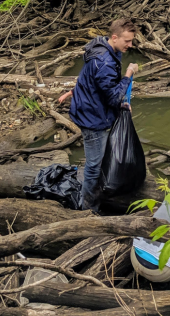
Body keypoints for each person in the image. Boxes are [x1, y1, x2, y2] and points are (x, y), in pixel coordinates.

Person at [58, 18, 140, 211]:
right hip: (93, 118)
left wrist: (74, 90)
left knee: (99, 159)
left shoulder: (103, 48)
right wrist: (128, 74)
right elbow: (112, 97)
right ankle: (88, 208)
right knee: (94, 165)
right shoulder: (104, 61)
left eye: (131, 40)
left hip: (91, 107)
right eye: (127, 41)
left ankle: (96, 194)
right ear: (114, 37)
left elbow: (91, 78)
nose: (130, 45)